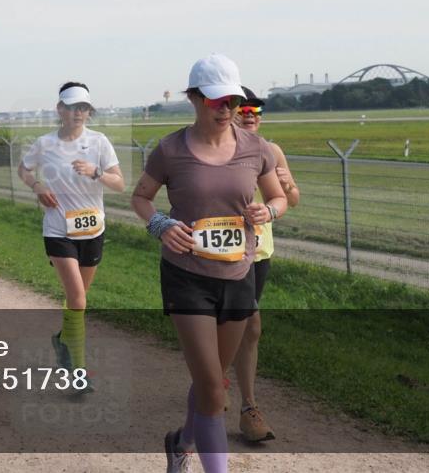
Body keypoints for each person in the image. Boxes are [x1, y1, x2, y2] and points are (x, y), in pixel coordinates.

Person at [130, 55, 287, 473]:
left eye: (232, 101)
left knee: (212, 380)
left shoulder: (257, 148)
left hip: (238, 274)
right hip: (187, 276)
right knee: (213, 391)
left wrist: (268, 212)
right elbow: (140, 197)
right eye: (217, 100)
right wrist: (161, 224)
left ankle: (181, 443)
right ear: (195, 98)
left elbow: (279, 197)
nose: (226, 110)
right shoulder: (170, 149)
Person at [17, 82, 124, 382]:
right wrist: (37, 186)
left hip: (92, 229)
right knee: (77, 297)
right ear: (60, 109)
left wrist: (97, 172)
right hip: (58, 230)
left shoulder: (100, 142)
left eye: (84, 108)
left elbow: (120, 184)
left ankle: (63, 339)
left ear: (89, 112)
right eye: (72, 106)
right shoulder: (45, 143)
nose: (78, 113)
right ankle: (78, 369)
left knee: (79, 299)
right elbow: (23, 169)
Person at [230, 86, 300, 442]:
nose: (251, 114)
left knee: (246, 326)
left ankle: (235, 395)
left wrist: (286, 187)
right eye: (243, 109)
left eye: (255, 109)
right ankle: (247, 405)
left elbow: (293, 199)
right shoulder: (214, 152)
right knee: (247, 323)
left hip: (259, 253)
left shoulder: (271, 151)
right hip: (222, 254)